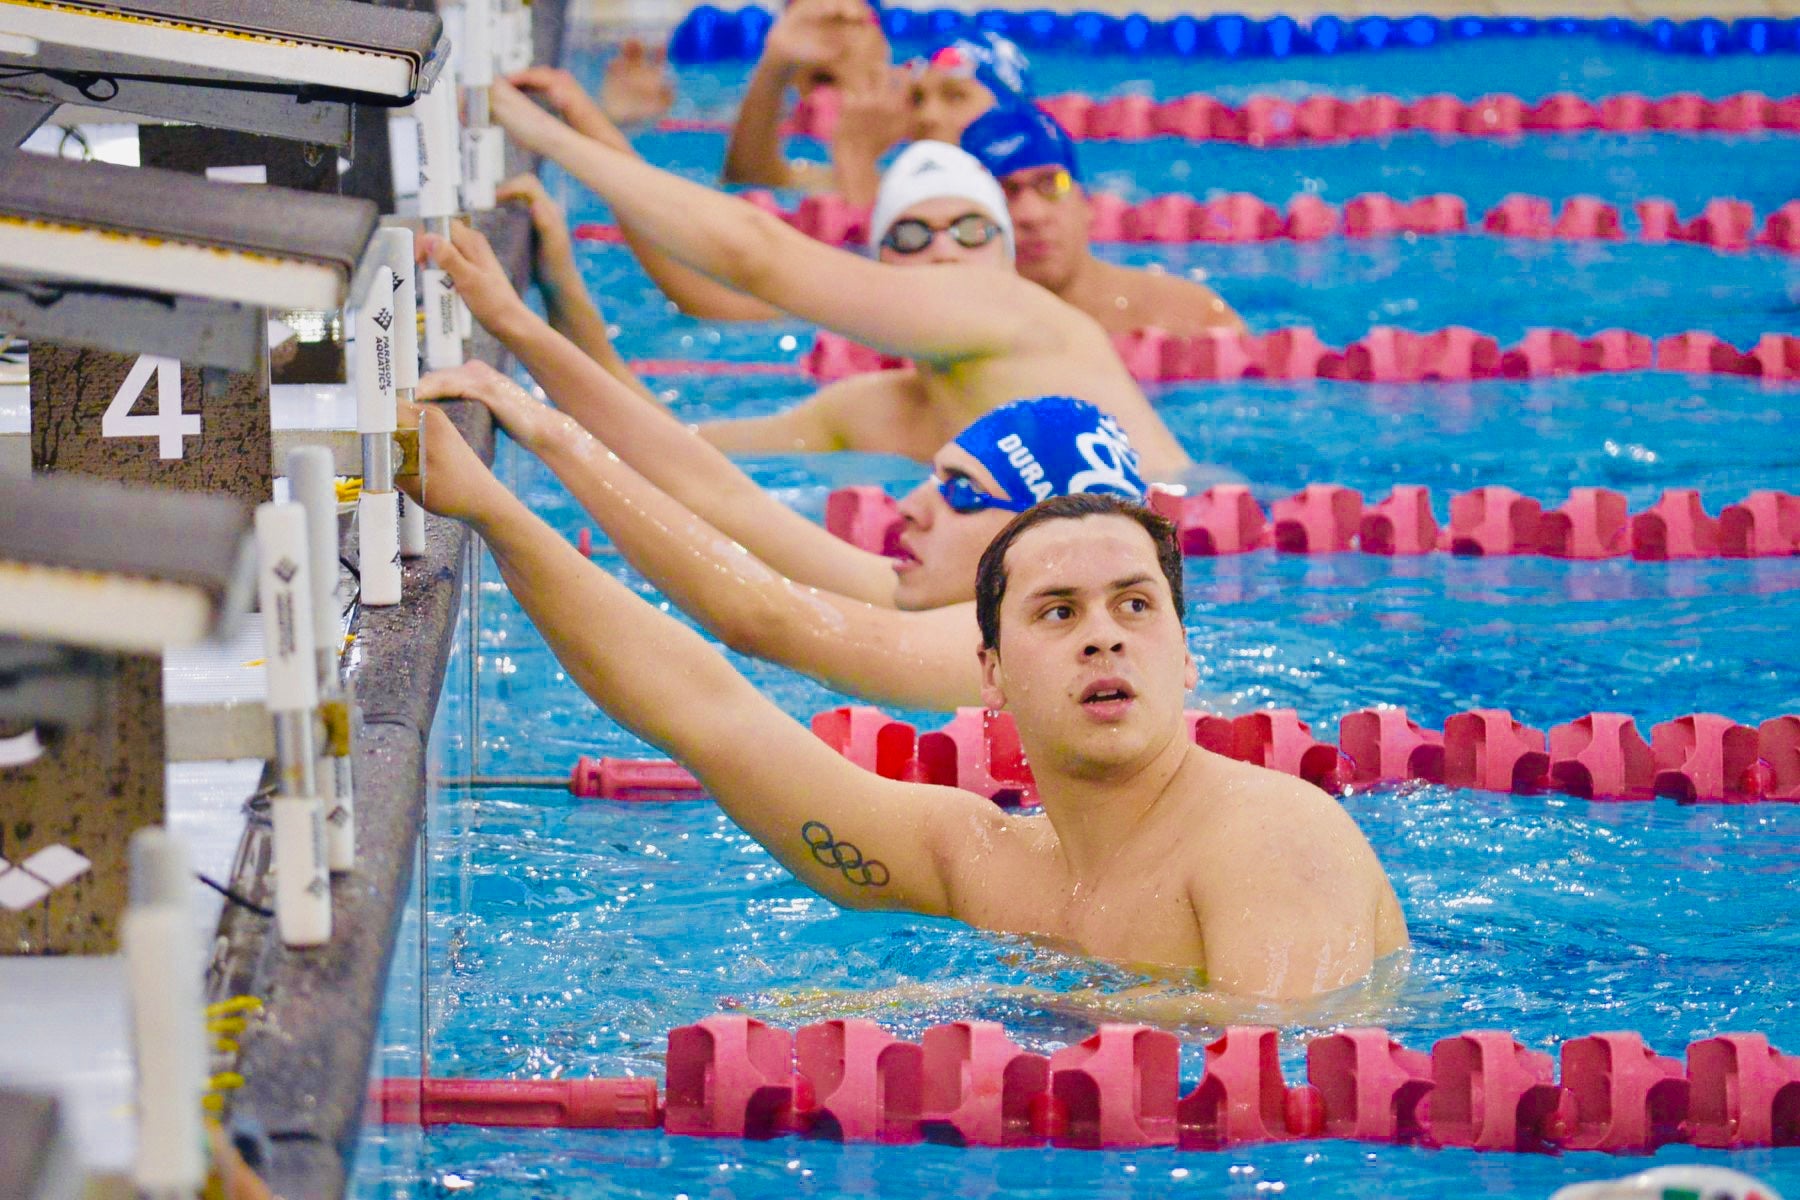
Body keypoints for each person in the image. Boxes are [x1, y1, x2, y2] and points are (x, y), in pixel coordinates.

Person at [400, 411, 1408, 998]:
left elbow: (1290, 1053)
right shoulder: (984, 863)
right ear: (991, 674)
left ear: (1187, 658)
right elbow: (705, 712)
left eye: (1135, 606)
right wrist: (490, 507)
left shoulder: (1274, 837)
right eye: (1058, 613)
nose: (1104, 634)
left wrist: (945, 1004)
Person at [417, 218, 1146, 711]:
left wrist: (520, 472)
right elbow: (722, 497)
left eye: (962, 493)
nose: (909, 507)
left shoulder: (1024, 652)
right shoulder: (970, 605)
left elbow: (760, 614)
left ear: (1040, 545)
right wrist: (516, 330)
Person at [488, 79, 1197, 480]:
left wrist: (545, 136)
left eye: (973, 231)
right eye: (915, 236)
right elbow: (662, 438)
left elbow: (755, 253)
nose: (946, 254)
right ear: (882, 269)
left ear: (1006, 260)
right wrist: (563, 291)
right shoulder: (876, 412)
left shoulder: (1015, 310)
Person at [961, 102, 1247, 337]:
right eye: (1004, 193)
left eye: (1051, 184)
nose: (1031, 215)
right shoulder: (955, 330)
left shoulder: (1189, 316)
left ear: (1087, 203)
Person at [723, 18, 1033, 206]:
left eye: (955, 97)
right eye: (917, 98)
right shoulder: (892, 183)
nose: (927, 117)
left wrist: (854, 155)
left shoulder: (1026, 201)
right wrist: (775, 67)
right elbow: (750, 179)